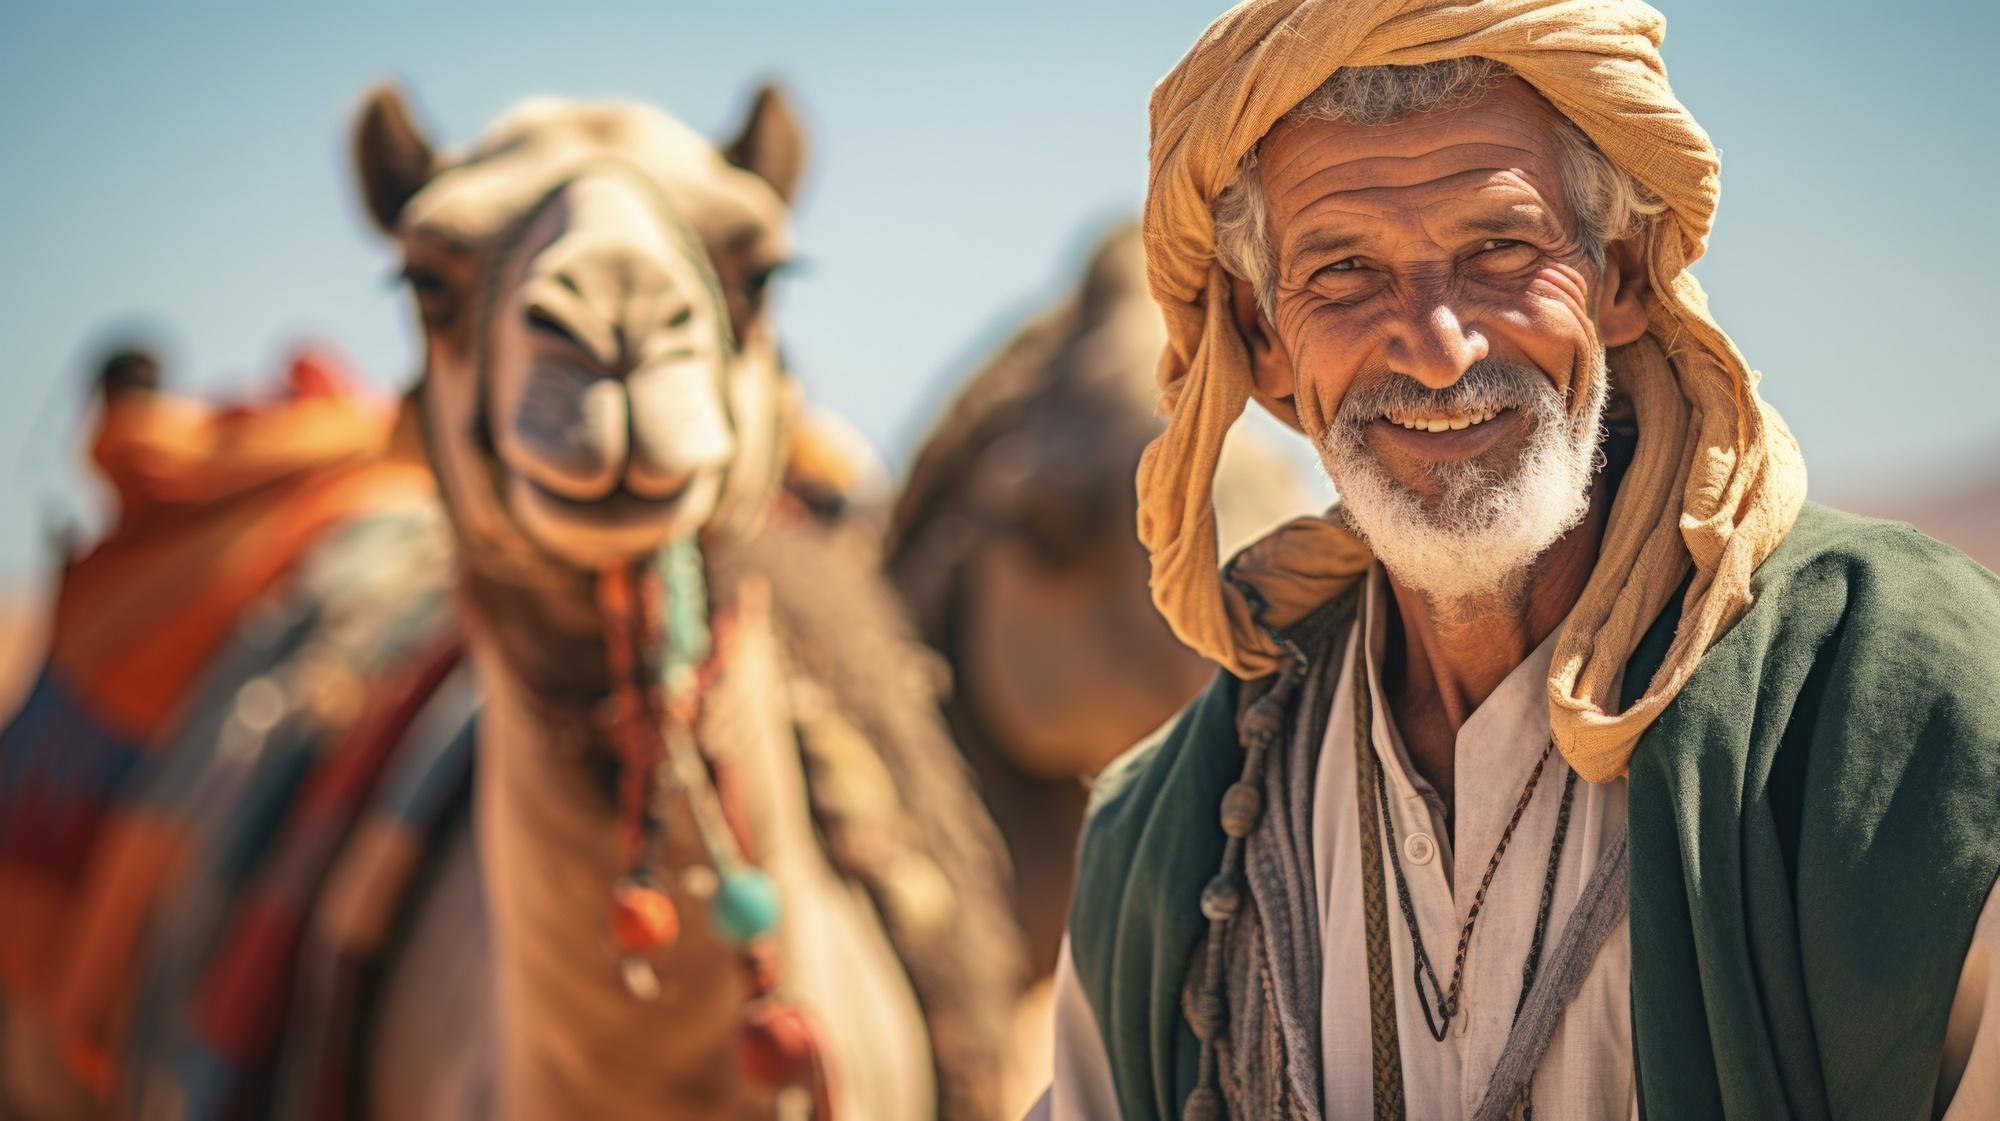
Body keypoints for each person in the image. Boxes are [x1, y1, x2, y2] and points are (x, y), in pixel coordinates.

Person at [1033, 2, 2000, 1118]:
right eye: (1345, 271)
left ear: (1619, 276)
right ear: (1261, 339)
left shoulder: (1903, 716)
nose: (1439, 346)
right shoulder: (1167, 836)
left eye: (1498, 250)